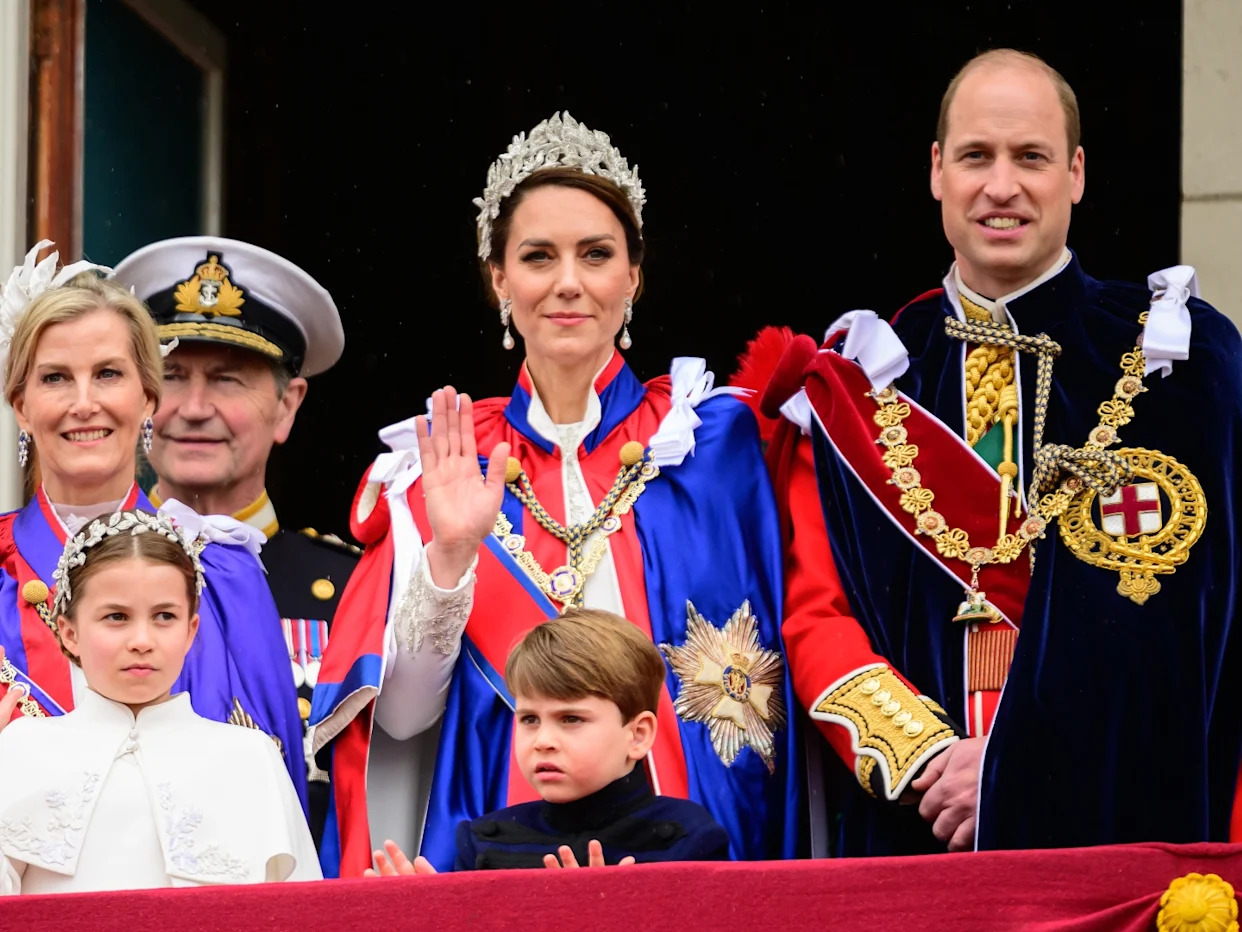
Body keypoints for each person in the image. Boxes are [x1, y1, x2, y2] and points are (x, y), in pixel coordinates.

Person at [746, 49, 1242, 855]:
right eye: (976, 156)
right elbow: (814, 616)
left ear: (1077, 173)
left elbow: (1186, 631)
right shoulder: (860, 382)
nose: (1001, 186)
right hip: (919, 831)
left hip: (1114, 836)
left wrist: (1019, 767)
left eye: (1032, 158)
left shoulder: (1182, 364)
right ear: (937, 170)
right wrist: (931, 759)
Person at [313, 112, 802, 876]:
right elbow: (400, 727)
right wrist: (450, 556)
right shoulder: (443, 463)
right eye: (538, 257)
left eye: (596, 255)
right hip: (499, 858)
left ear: (633, 276)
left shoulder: (717, 446)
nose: (568, 283)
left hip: (695, 856)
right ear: (500, 280)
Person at [0, 242, 306, 809]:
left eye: (109, 374)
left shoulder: (223, 573)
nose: (84, 402)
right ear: (21, 404)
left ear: (147, 397)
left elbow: (275, 806)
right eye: (56, 378)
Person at [111, 237, 358, 844]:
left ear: (285, 408)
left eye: (227, 381)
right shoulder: (78, 567)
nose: (194, 408)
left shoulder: (354, 589)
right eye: (170, 377)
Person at [0, 509, 319, 892]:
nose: (142, 640)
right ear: (69, 632)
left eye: (164, 616)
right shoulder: (20, 748)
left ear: (190, 630)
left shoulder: (251, 757)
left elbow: (298, 909)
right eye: (116, 616)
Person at [367, 608, 729, 874]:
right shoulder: (482, 841)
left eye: (570, 719)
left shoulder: (688, 840)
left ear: (637, 735)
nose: (543, 740)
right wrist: (433, 919)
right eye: (529, 719)